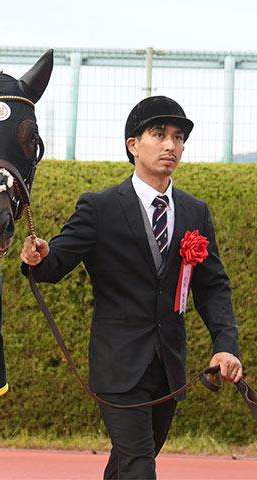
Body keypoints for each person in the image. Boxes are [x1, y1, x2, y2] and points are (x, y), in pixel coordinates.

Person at [21, 95, 242, 479]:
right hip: (118, 367)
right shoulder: (99, 207)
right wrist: (39, 257)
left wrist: (225, 346)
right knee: (140, 467)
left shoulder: (195, 212)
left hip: (169, 367)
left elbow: (213, 287)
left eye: (178, 137)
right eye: (159, 134)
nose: (171, 145)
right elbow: (55, 264)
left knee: (128, 465)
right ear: (133, 145)